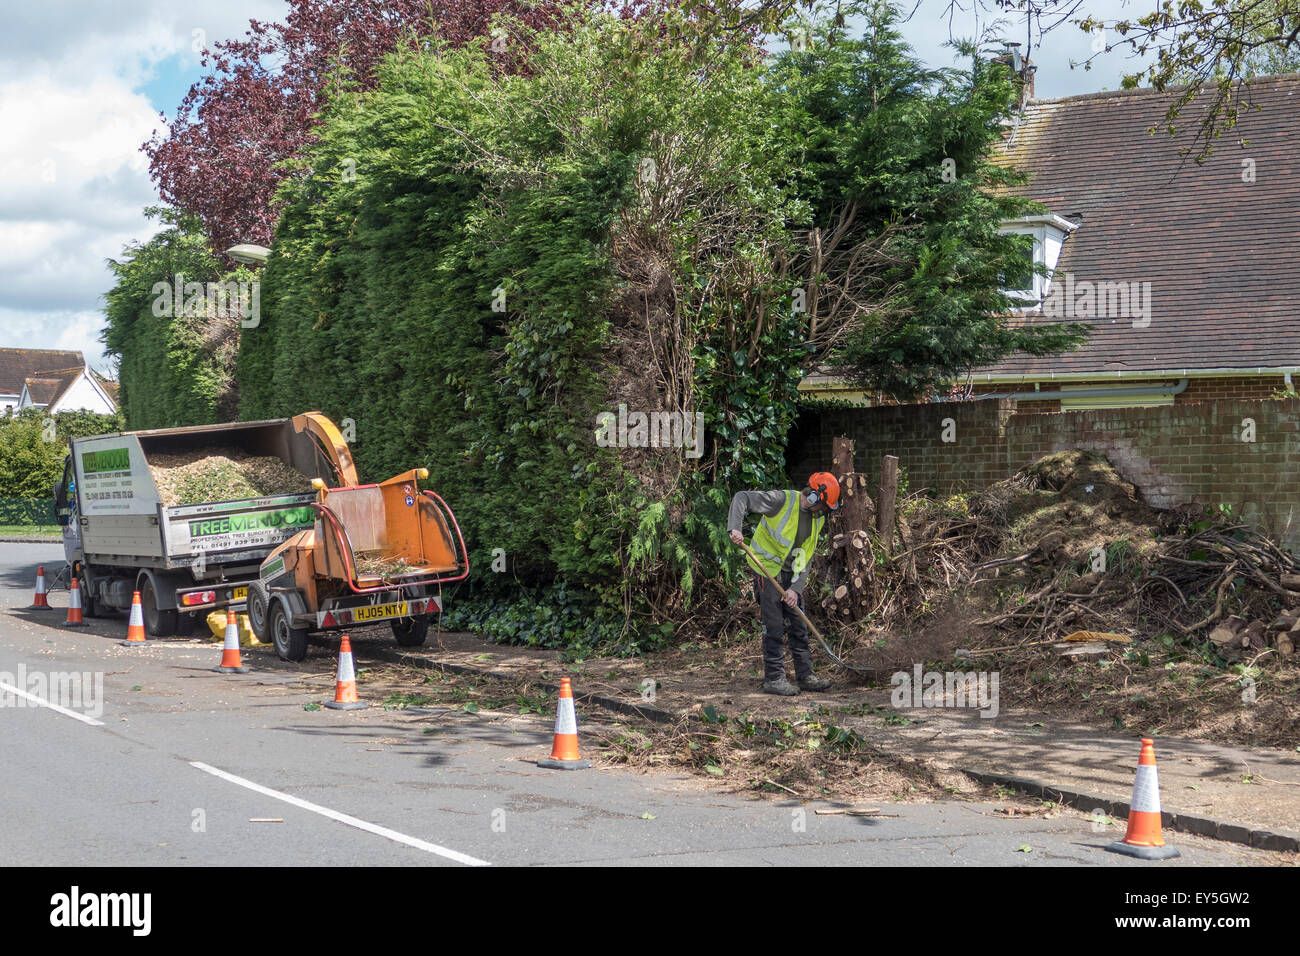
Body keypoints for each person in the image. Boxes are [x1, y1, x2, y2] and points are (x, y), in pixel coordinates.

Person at [727, 472, 839, 695]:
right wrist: (735, 527)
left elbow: (806, 556)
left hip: (791, 574)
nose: (824, 511)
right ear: (815, 497)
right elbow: (742, 497)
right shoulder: (781, 500)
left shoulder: (818, 519)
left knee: (799, 624)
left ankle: (806, 675)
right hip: (766, 570)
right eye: (824, 506)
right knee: (775, 625)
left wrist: (795, 589)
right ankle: (774, 678)